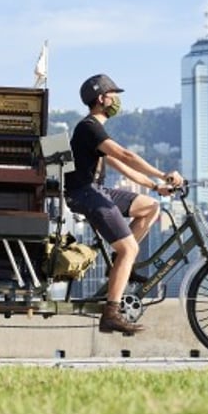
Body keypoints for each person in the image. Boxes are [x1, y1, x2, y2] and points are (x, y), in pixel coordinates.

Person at [64, 74, 184, 335]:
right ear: (101, 99)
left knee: (150, 207)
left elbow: (122, 166)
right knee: (130, 248)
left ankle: (119, 264)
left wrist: (156, 187)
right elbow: (126, 155)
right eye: (113, 95)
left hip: (97, 190)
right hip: (84, 193)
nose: (117, 100)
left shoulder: (96, 132)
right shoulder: (89, 127)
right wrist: (163, 174)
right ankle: (111, 314)